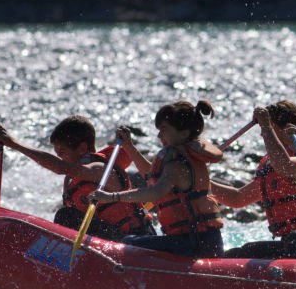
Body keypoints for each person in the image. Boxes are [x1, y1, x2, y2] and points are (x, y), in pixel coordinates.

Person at [89, 101, 225, 258]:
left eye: (164, 129)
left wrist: (112, 197)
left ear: (184, 133)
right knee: (133, 241)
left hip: (196, 245)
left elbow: (155, 192)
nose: (159, 135)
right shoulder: (182, 156)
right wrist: (129, 147)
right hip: (196, 241)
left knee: (127, 243)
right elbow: (150, 176)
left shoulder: (177, 164)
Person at [0, 116, 153, 241]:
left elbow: (60, 168)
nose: (60, 158)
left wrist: (14, 144)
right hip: (112, 237)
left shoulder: (99, 169)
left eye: (62, 153)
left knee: (65, 216)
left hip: (134, 239)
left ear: (82, 148)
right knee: (67, 215)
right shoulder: (79, 177)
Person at [210, 102, 296, 259]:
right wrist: (201, 179)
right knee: (237, 253)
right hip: (294, 242)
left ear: (282, 129)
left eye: (268, 130)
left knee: (246, 252)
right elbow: (238, 198)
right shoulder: (273, 170)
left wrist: (266, 126)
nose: (262, 136)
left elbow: (285, 166)